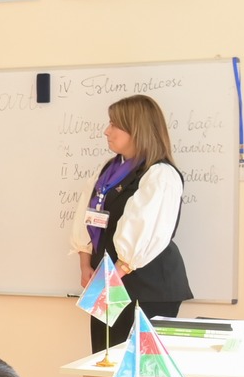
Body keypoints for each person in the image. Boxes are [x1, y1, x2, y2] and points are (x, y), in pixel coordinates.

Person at [72, 94, 191, 352]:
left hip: (146, 288)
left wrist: (113, 276)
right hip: (109, 281)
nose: (107, 131)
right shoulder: (108, 170)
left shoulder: (159, 174)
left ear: (136, 129)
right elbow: (86, 214)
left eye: (114, 124)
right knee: (104, 359)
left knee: (138, 366)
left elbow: (145, 230)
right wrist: (85, 263)